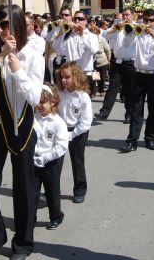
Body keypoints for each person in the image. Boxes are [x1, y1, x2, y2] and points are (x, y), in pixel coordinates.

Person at [0, 5, 44, 260]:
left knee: (24, 188)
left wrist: (17, 69)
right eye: (1, 25)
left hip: (23, 125)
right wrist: (1, 58)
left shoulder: (34, 56)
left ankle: (23, 243)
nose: (5, 30)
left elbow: (36, 97)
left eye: (9, 25)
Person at [120, 9, 154, 152]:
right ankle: (132, 141)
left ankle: (150, 138)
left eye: (151, 20)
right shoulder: (138, 32)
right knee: (136, 108)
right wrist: (130, 30)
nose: (148, 23)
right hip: (139, 74)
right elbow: (125, 44)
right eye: (145, 20)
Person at [33, 83, 69, 230]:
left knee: (52, 190)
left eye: (43, 102)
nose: (39, 105)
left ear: (53, 102)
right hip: (34, 160)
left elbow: (61, 146)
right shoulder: (34, 118)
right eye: (38, 102)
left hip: (51, 161)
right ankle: (30, 217)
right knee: (32, 191)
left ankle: (56, 216)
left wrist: (45, 157)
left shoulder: (58, 122)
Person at [56, 61, 92, 204]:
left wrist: (72, 134)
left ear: (76, 76)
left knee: (77, 161)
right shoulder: (59, 94)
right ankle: (52, 191)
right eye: (62, 77)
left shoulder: (83, 97)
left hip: (78, 132)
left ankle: (80, 189)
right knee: (55, 162)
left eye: (67, 77)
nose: (64, 80)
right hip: (61, 131)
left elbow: (86, 121)